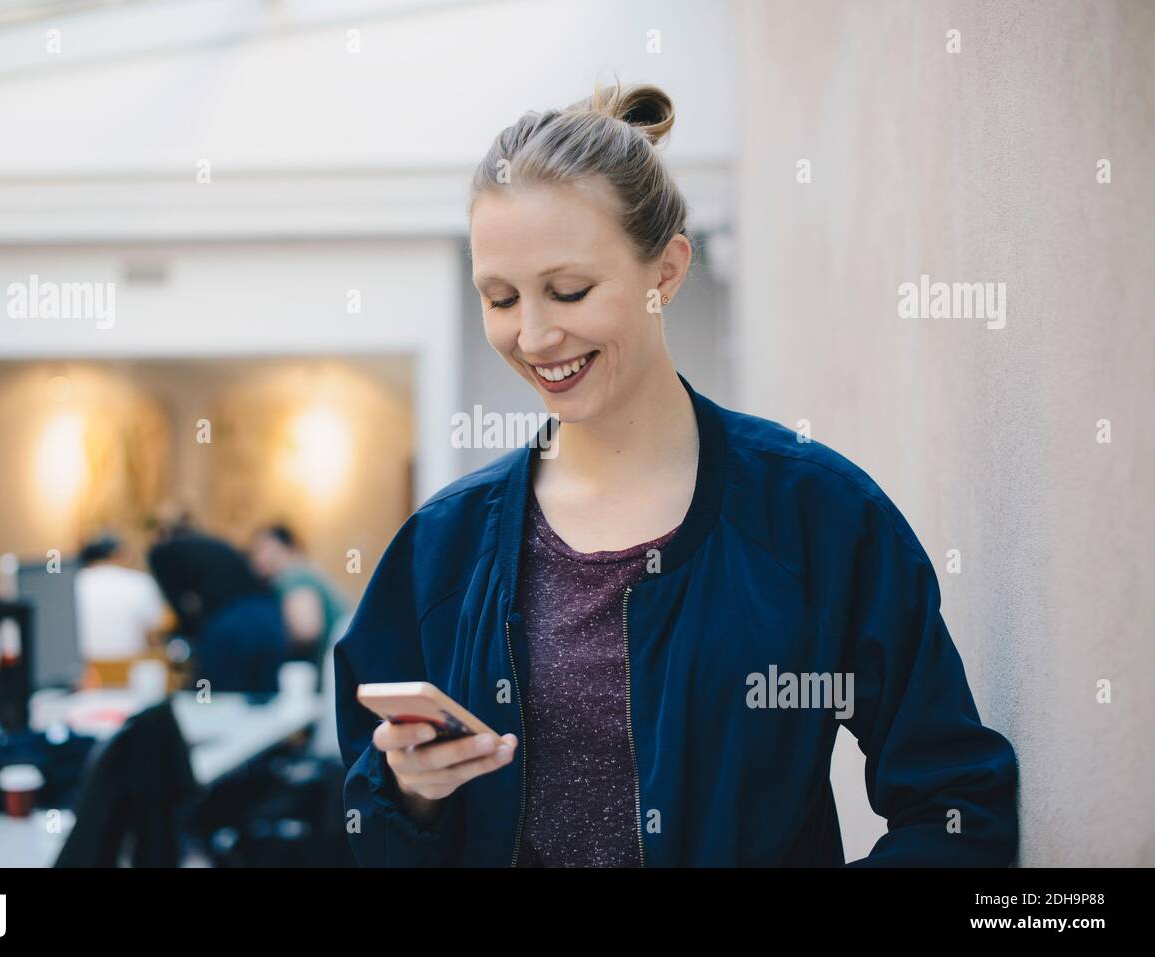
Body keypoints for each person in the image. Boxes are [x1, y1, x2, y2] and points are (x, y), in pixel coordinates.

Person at [333, 81, 1019, 867]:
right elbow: (370, 820)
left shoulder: (816, 517)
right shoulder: (441, 548)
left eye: (569, 290)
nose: (532, 334)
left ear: (665, 272)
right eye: (499, 298)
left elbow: (958, 805)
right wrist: (415, 789)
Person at [148, 532, 287, 695]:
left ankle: (201, 707)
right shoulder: (207, 546)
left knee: (209, 691)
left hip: (229, 623)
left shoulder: (159, 558)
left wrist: (190, 631)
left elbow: (179, 604)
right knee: (262, 691)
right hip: (266, 612)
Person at [249, 524, 349, 677]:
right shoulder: (303, 572)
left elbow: (307, 631)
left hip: (339, 665)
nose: (257, 559)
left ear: (286, 547)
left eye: (262, 549)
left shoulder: (293, 574)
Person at [73, 534, 167, 664]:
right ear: (117, 554)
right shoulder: (140, 582)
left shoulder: (73, 583)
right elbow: (153, 636)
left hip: (85, 674)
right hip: (130, 672)